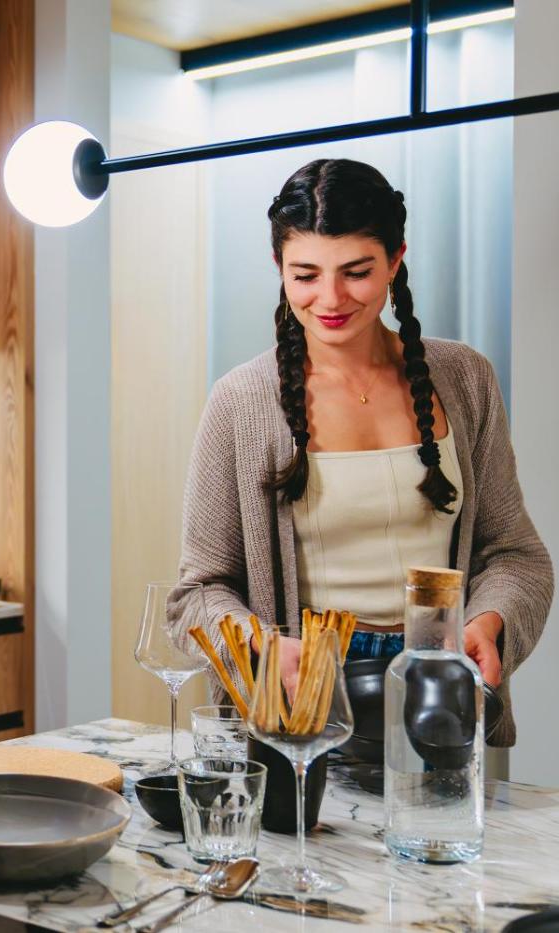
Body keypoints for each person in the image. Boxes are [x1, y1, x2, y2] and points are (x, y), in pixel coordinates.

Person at [179, 158, 552, 746]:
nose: (330, 298)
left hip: (439, 682)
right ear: (278, 266)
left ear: (395, 260)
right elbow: (197, 593)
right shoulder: (240, 402)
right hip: (303, 694)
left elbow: (515, 556)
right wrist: (260, 644)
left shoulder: (465, 378)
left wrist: (486, 622)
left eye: (356, 272)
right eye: (305, 275)